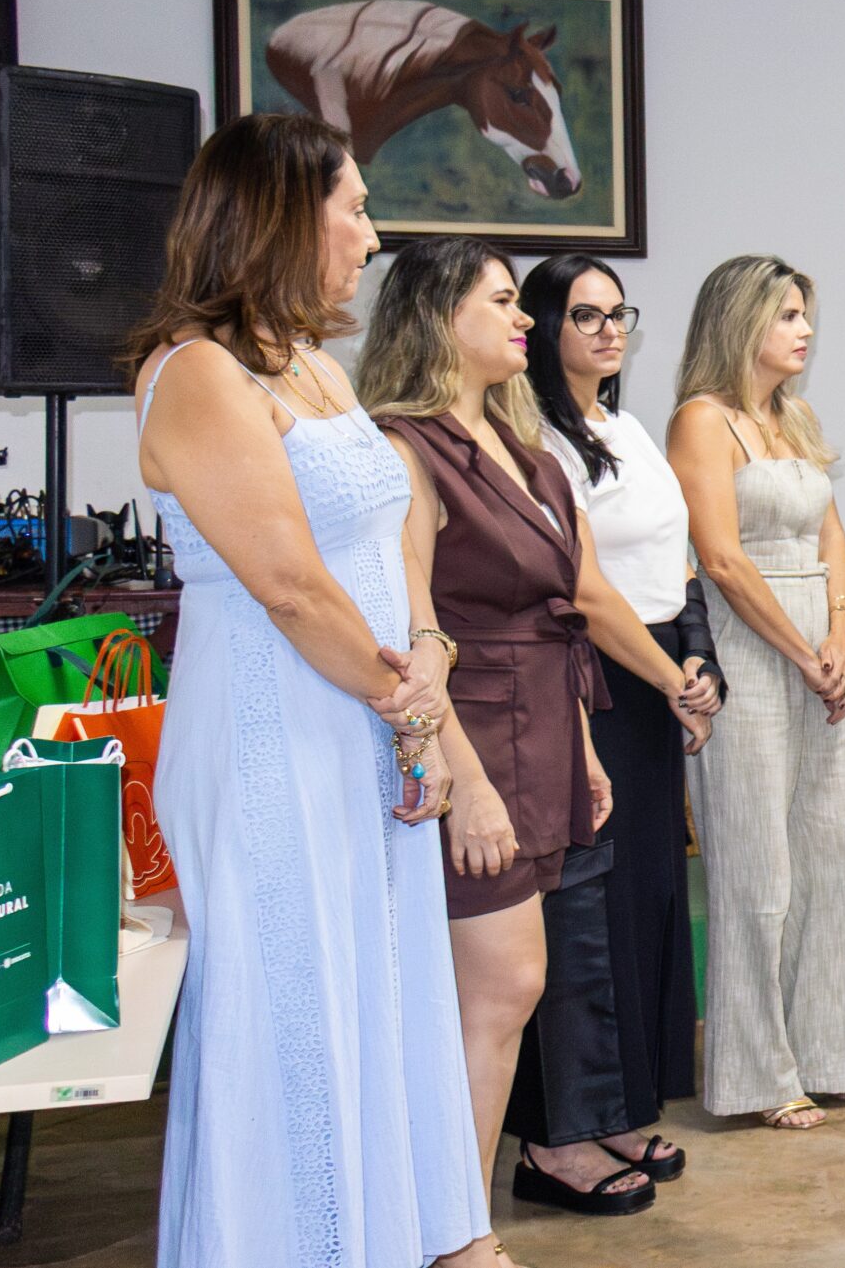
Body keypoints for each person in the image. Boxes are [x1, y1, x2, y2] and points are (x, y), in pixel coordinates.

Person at [129, 113, 487, 1266]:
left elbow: (388, 548)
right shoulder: (196, 372)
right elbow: (286, 581)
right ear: (285, 217)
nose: (372, 237)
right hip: (272, 730)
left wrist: (425, 653)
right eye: (355, 208)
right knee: (294, 1011)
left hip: (362, 720)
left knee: (373, 998)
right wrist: (413, 708)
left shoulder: (317, 366)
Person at [356, 237, 637, 1247]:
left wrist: (587, 750)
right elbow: (410, 625)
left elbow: (560, 610)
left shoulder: (521, 449)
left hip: (543, 728)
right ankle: (458, 1228)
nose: (527, 321)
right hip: (471, 738)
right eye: (505, 301)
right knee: (501, 985)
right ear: (438, 316)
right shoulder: (403, 446)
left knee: (500, 993)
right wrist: (463, 780)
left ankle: (452, 1214)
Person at [503, 253, 724, 1202]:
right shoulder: (540, 435)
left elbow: (677, 561)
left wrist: (699, 656)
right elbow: (582, 593)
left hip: (657, 676)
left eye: (616, 311)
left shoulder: (624, 424)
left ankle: (624, 1106)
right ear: (542, 329)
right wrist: (671, 674)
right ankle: (557, 1137)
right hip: (596, 681)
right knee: (583, 915)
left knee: (643, 903)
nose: (606, 328)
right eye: (582, 313)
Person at [667, 254, 845, 1129]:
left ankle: (830, 1052)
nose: (804, 330)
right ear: (741, 320)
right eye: (788, 314)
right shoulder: (700, 420)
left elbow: (831, 530)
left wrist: (842, 631)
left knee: (841, 853)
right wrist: (801, 650)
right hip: (748, 651)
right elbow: (718, 556)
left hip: (812, 649)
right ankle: (759, 1073)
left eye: (806, 316)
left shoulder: (793, 415)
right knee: (758, 870)